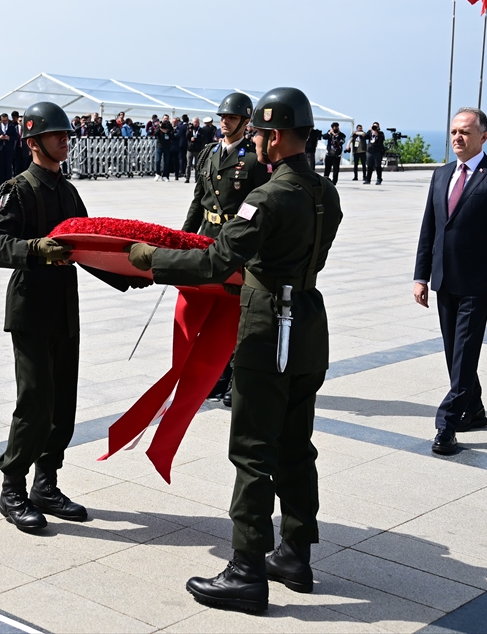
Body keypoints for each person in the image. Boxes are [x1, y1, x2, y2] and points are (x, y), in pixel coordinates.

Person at [128, 87, 342, 614]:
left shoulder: (266, 198)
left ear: (276, 135)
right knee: (296, 445)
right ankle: (294, 552)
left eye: (265, 134)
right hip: (309, 324)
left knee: (251, 450)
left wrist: (151, 260)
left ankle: (247, 569)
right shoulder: (325, 193)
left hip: (267, 327)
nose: (261, 143)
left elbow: (218, 260)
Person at [0, 101, 144, 533]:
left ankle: (45, 484)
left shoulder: (69, 192)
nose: (65, 141)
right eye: (57, 135)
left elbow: (89, 247)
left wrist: (131, 275)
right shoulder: (16, 190)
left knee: (63, 407)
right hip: (30, 310)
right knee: (34, 404)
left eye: (67, 134)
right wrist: (33, 249)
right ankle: (12, 488)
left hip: (63, 311)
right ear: (34, 142)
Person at [413, 107, 487, 456]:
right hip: (444, 281)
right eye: (454, 131)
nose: (458, 137)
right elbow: (429, 229)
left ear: (483, 137)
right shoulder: (441, 175)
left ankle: (447, 424)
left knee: (464, 356)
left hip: (477, 284)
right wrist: (421, 276)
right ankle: (472, 410)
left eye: (466, 132)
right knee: (454, 355)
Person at [182, 92, 271, 404]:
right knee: (211, 309)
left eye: (231, 118)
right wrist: (183, 238)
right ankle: (216, 376)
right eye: (222, 117)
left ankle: (236, 376)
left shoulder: (254, 159)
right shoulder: (207, 154)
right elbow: (198, 200)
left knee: (237, 311)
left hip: (237, 242)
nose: (224, 122)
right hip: (207, 237)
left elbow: (261, 204)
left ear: (245, 122)